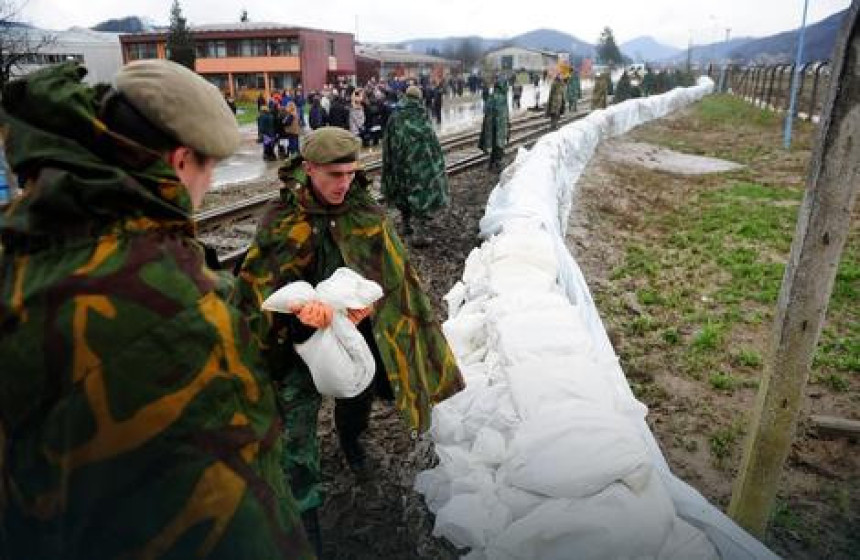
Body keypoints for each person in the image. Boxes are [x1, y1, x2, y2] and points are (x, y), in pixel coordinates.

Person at [0, 61, 313, 560]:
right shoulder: (179, 314)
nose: (206, 187)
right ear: (181, 161)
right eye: (207, 170)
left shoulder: (30, 233)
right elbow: (232, 522)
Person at [233, 126, 464, 556]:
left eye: (350, 173)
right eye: (332, 175)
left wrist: (370, 306)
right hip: (295, 348)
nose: (343, 184)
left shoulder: (365, 214)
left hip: (354, 339)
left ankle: (351, 440)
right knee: (295, 440)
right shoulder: (282, 221)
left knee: (355, 399)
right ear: (308, 169)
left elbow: (391, 278)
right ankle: (306, 522)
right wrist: (300, 315)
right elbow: (256, 293)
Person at [381, 85, 449, 246]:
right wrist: (436, 165)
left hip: (400, 163)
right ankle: (419, 234)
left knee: (402, 193)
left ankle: (406, 226)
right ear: (418, 98)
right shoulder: (421, 113)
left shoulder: (395, 115)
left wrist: (389, 162)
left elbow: (387, 140)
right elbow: (430, 141)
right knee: (420, 196)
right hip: (419, 166)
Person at [479, 76, 510, 172]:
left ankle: (492, 164)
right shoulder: (501, 98)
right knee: (498, 146)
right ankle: (497, 164)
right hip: (498, 127)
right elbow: (502, 116)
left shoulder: (492, 96)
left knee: (494, 147)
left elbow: (486, 110)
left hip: (490, 126)